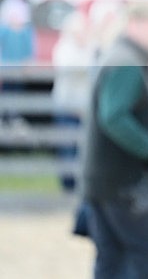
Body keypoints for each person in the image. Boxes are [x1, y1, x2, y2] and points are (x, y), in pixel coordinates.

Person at [81, 0, 148, 279]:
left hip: (104, 180)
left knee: (111, 259)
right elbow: (114, 116)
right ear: (134, 24)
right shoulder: (127, 61)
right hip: (123, 183)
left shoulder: (118, 54)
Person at [51, 11, 95, 191]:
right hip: (66, 106)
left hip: (85, 108)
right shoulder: (63, 48)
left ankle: (80, 184)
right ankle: (67, 185)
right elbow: (71, 69)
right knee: (67, 147)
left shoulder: (91, 47)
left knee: (82, 147)